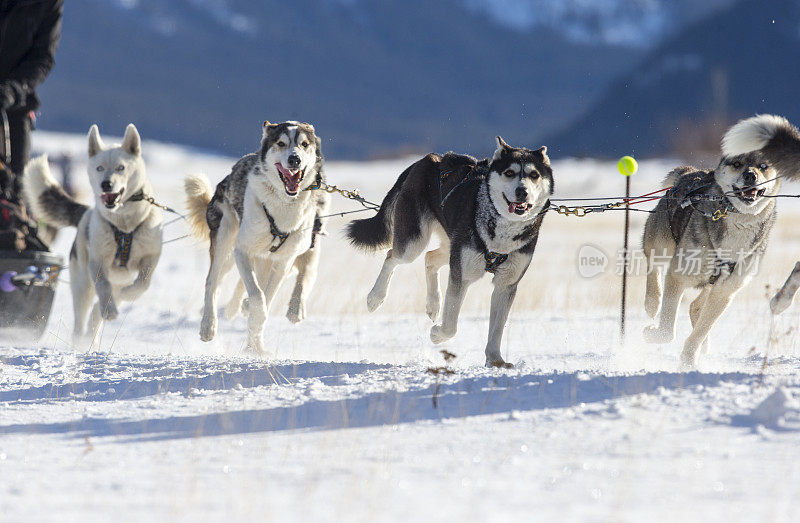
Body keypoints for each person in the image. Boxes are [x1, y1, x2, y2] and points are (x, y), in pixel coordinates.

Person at [0, 0, 62, 251]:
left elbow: (43, 58)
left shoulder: (48, 4)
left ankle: (16, 242)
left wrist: (14, 89)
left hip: (15, 108)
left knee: (15, 185)